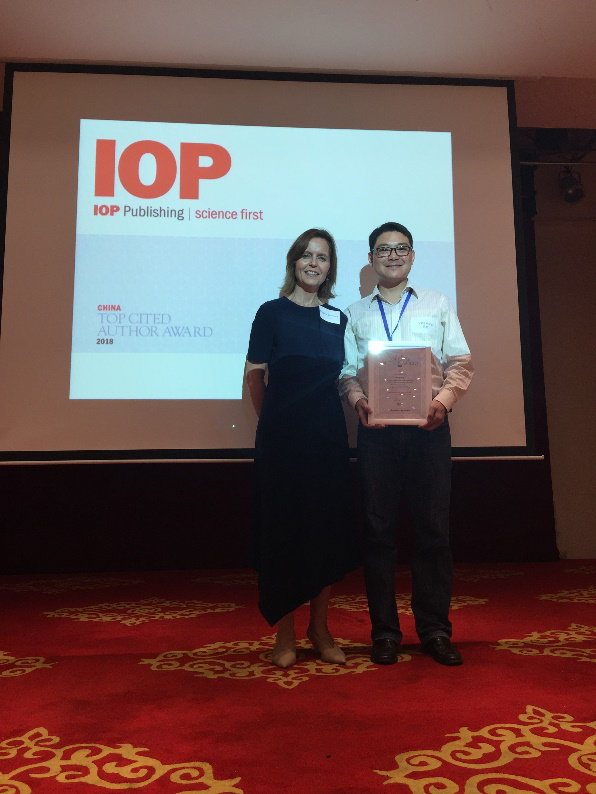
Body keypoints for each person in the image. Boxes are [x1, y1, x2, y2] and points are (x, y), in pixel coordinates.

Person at [340, 221, 473, 666]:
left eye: (401, 249)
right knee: (378, 533)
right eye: (383, 249)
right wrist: (357, 398)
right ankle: (384, 633)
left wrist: (443, 402)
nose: (392, 255)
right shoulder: (354, 313)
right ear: (371, 258)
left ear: (412, 256)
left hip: (428, 431)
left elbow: (461, 362)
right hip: (376, 435)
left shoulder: (437, 303)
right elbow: (345, 372)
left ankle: (435, 631)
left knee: (433, 532)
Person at [246, 229, 357, 669]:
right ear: (294, 262)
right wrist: (273, 423)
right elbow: (255, 376)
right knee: (284, 533)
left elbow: (345, 375)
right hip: (282, 442)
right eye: (307, 255)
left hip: (327, 441)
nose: (314, 263)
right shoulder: (270, 313)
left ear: (330, 268)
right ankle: (286, 634)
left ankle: (320, 629)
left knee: (324, 531)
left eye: (322, 257)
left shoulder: (338, 318)